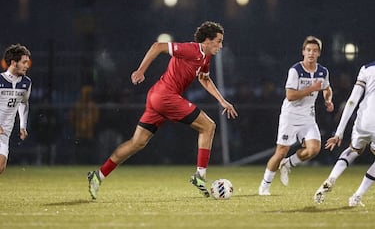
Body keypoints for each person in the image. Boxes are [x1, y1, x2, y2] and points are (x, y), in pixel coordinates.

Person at [87, 21, 238, 199]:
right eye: (218, 41)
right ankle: (200, 176)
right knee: (208, 126)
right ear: (207, 40)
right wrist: (140, 70)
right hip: (165, 96)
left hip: (157, 97)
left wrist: (222, 101)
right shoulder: (191, 49)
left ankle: (99, 175)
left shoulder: (206, 57)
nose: (221, 46)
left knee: (137, 142)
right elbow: (158, 46)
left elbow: (204, 78)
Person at [258, 36, 334, 195]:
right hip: (290, 116)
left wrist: (328, 100)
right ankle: (264, 186)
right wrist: (312, 89)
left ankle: (288, 164)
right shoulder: (296, 70)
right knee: (280, 152)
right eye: (308, 50)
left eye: (314, 50)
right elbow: (290, 95)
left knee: (314, 149)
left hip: (308, 117)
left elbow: (327, 88)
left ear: (319, 53)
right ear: (303, 52)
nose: (311, 53)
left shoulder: (323, 71)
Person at [314, 61, 375, 206]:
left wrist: (339, 132)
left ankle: (331, 178)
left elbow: (352, 101)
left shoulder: (366, 68)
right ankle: (357, 197)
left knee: (354, 150)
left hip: (363, 120)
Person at [0, 44, 32, 174]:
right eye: (24, 62)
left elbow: (23, 103)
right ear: (13, 62)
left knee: (1, 167)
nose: (27, 66)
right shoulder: (0, 80)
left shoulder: (26, 83)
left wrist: (22, 126)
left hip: (5, 132)